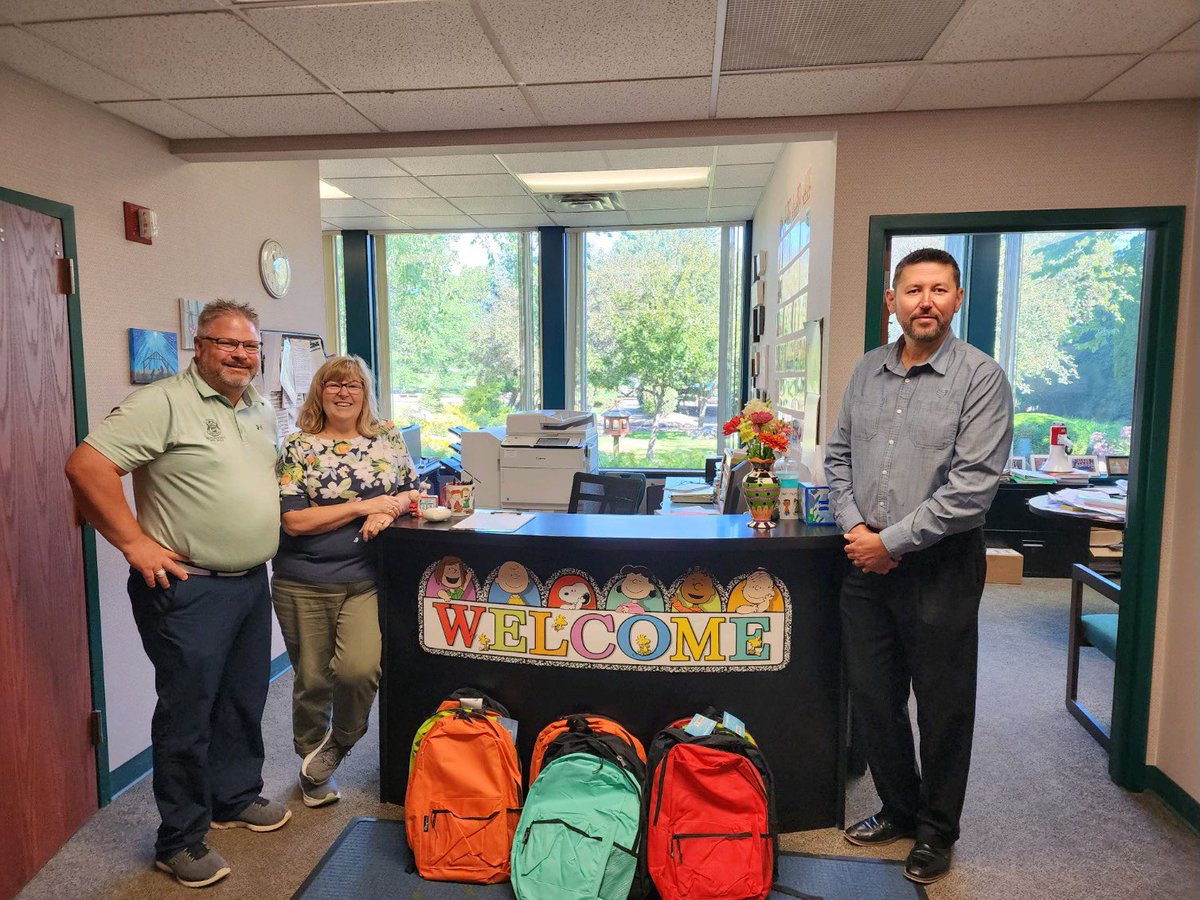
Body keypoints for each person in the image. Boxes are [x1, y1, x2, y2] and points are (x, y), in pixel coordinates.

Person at [65, 300, 288, 889]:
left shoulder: (259, 407)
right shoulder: (162, 402)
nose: (241, 355)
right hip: (188, 588)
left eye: (250, 345)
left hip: (249, 583)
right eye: (227, 343)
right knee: (188, 713)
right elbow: (87, 467)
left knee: (242, 698)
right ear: (200, 345)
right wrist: (134, 543)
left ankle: (233, 797)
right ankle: (179, 840)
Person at [824, 248, 1013, 884]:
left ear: (956, 300)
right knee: (873, 698)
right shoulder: (866, 371)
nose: (924, 301)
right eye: (912, 290)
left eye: (937, 289)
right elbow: (838, 457)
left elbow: (971, 489)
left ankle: (936, 830)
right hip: (865, 559)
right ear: (892, 301)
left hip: (941, 564)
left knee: (942, 706)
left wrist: (892, 543)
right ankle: (899, 810)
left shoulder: (981, 378)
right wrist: (856, 528)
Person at [272, 355, 417, 808]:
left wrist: (389, 508)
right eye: (333, 384)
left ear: (365, 393)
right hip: (304, 580)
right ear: (319, 392)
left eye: (353, 385)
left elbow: (411, 490)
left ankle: (340, 741)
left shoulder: (387, 436)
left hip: (366, 578)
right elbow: (295, 521)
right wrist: (363, 506)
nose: (343, 392)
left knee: (360, 669)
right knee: (313, 680)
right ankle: (311, 767)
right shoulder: (298, 446)